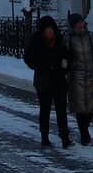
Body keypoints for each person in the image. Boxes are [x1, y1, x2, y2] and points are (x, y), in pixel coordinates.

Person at [23, 15, 72, 148]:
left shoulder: (59, 40)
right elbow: (28, 57)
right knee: (45, 109)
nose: (49, 32)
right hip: (43, 80)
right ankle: (44, 136)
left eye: (51, 29)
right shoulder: (36, 41)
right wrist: (40, 66)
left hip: (59, 79)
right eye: (47, 30)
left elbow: (66, 56)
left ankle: (65, 137)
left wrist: (65, 66)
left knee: (61, 109)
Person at [67, 12, 93, 145]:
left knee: (91, 107)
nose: (81, 25)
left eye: (82, 22)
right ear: (74, 25)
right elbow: (67, 55)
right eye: (79, 23)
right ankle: (84, 133)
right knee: (80, 107)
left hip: (90, 75)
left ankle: (84, 129)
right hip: (76, 76)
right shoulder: (68, 38)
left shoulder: (88, 36)